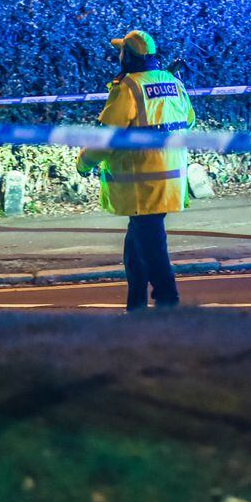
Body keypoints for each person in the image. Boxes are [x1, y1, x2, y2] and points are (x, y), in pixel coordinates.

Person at [77, 30, 195, 311]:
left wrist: (84, 162)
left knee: (151, 246)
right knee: (136, 245)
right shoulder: (171, 81)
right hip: (171, 178)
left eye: (121, 53)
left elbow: (108, 139)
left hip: (141, 183)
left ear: (127, 56)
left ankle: (168, 300)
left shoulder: (128, 88)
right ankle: (136, 305)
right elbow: (188, 119)